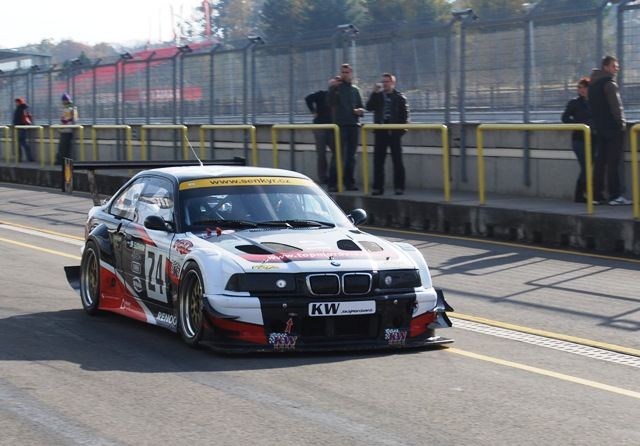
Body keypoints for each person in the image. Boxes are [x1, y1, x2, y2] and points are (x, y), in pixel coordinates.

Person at [588, 55, 631, 206]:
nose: (616, 68)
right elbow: (616, 107)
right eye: (614, 66)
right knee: (613, 162)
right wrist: (622, 124)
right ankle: (615, 196)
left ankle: (596, 195)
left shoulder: (592, 85)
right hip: (613, 128)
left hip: (599, 128)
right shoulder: (609, 84)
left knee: (600, 162)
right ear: (606, 67)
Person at [365, 73, 409, 195]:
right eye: (383, 82)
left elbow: (404, 116)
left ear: (393, 83)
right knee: (378, 160)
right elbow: (368, 107)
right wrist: (374, 93)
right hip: (381, 131)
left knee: (397, 160)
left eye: (387, 82)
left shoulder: (400, 97)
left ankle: (399, 187)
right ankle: (378, 187)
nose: (385, 84)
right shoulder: (378, 96)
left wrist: (400, 131)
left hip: (394, 132)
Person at [327, 63, 365, 192]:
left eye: (347, 72)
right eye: (343, 72)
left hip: (353, 125)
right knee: (338, 155)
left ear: (351, 73)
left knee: (351, 156)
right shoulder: (337, 88)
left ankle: (349, 182)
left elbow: (361, 106)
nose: (344, 74)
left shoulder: (355, 90)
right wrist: (332, 88)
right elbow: (329, 103)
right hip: (340, 126)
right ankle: (333, 183)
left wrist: (359, 111)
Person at [561, 77, 592, 203]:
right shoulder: (574, 103)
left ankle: (583, 194)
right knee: (585, 166)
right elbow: (564, 118)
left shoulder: (595, 102)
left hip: (592, 139)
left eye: (584, 87)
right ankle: (579, 194)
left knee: (589, 166)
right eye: (579, 87)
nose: (581, 90)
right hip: (579, 140)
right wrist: (579, 124)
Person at [305, 77, 338, 184]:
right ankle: (323, 177)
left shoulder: (340, 96)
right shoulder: (322, 94)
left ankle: (335, 176)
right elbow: (308, 98)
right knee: (321, 153)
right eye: (332, 85)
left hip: (333, 128)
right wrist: (313, 111)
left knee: (337, 152)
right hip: (320, 127)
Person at [56, 92, 78, 165]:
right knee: (66, 148)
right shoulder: (69, 108)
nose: (63, 102)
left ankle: (60, 161)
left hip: (67, 130)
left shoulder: (69, 108)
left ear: (66, 100)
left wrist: (63, 123)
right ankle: (65, 162)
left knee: (63, 147)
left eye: (63, 100)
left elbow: (68, 119)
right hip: (67, 129)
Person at [13, 98, 34, 162]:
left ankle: (24, 158)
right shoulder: (22, 108)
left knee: (22, 143)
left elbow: (19, 119)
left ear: (19, 102)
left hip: (20, 128)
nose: (16, 103)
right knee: (22, 143)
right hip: (20, 128)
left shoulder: (20, 109)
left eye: (17, 102)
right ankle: (23, 158)